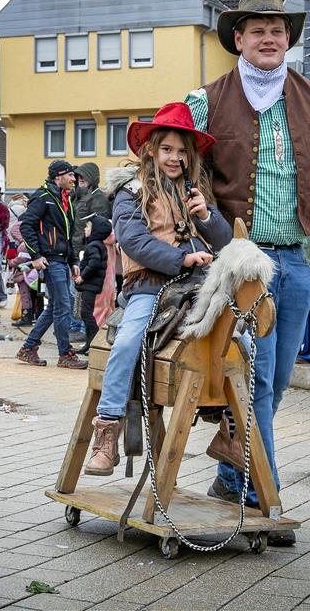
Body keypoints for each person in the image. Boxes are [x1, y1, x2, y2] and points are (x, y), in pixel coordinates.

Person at [184, 0, 310, 538]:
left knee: (275, 382)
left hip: (295, 259)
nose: (269, 38)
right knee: (252, 382)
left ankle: (231, 476)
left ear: (288, 38)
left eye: (277, 29)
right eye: (258, 30)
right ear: (239, 38)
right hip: (238, 262)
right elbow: (180, 170)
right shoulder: (205, 100)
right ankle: (262, 500)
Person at [84, 102, 230, 476]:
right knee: (128, 341)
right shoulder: (130, 191)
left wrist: (206, 216)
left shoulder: (197, 190)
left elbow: (224, 241)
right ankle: (107, 429)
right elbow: (134, 241)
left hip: (197, 288)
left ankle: (230, 430)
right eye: (167, 149)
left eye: (182, 151)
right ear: (151, 149)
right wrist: (182, 259)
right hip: (149, 286)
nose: (174, 158)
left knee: (240, 338)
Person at [15, 160, 87, 369]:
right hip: (50, 260)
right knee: (64, 305)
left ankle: (28, 348)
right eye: (70, 175)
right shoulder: (43, 197)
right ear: (58, 177)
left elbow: (68, 235)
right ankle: (65, 354)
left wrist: (73, 260)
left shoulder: (65, 199)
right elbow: (26, 226)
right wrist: (36, 256)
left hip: (61, 260)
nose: (74, 179)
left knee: (56, 306)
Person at [75, 215, 112, 355]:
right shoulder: (98, 244)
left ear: (95, 229)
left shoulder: (94, 245)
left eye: (88, 226)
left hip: (90, 285)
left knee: (86, 314)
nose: (85, 229)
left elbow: (94, 263)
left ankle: (95, 340)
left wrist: (82, 276)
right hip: (92, 285)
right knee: (87, 314)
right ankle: (89, 344)